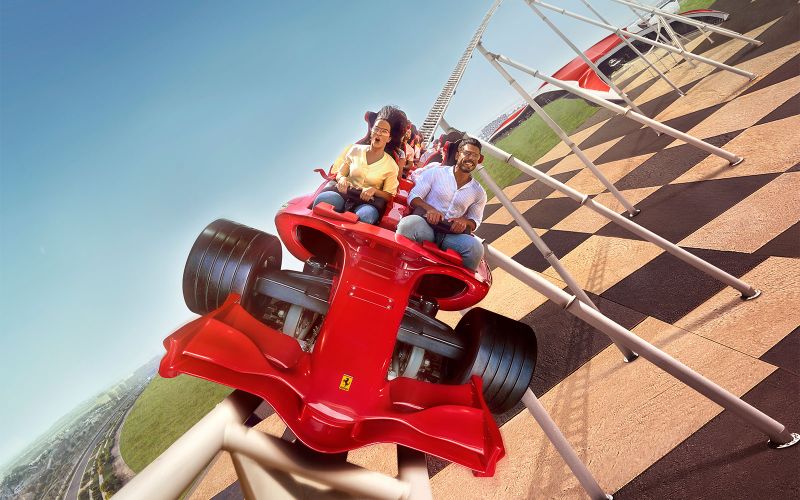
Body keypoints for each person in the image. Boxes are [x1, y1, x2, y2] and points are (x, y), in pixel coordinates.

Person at [396, 137, 487, 270]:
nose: (471, 158)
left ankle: (452, 282)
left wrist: (464, 222)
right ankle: (401, 269)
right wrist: (430, 209)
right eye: (467, 153)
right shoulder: (436, 173)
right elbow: (414, 197)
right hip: (426, 226)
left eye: (475, 155)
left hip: (451, 236)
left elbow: (475, 220)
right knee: (407, 225)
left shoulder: (479, 192)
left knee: (476, 248)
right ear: (457, 155)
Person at [313, 106, 406, 224]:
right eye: (376, 129)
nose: (378, 133)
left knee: (365, 217)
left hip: (368, 202)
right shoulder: (355, 149)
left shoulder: (391, 165)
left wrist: (374, 191)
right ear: (371, 131)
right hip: (343, 193)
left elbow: (389, 195)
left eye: (384, 131)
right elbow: (340, 173)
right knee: (323, 200)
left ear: (389, 138)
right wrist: (342, 179)